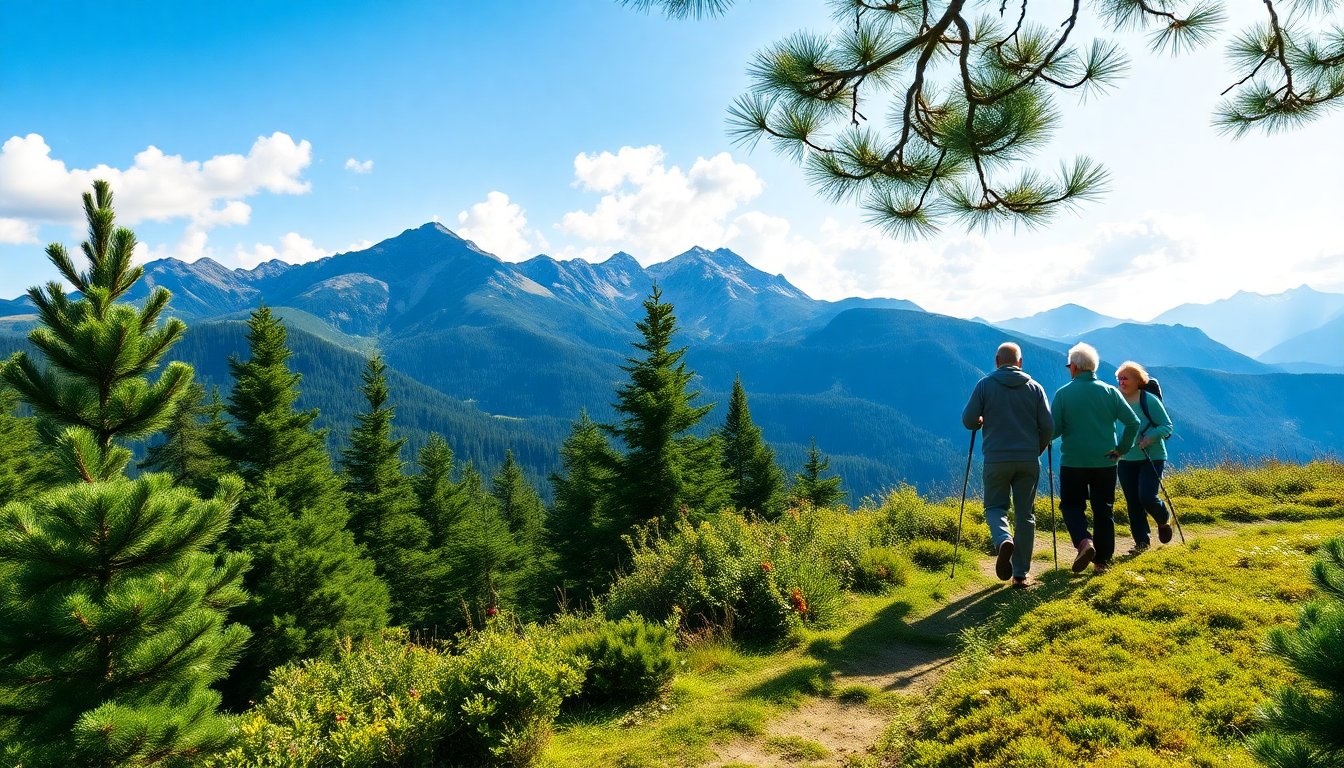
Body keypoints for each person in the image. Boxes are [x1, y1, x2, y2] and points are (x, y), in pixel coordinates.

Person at [961, 342, 1054, 588]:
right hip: (1027, 460)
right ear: (1020, 362)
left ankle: (1003, 540)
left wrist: (980, 420)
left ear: (997, 360)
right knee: (1026, 515)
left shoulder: (984, 386)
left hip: (996, 459)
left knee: (994, 507)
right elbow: (1048, 427)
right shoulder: (1035, 388)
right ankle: (1020, 574)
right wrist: (1037, 450)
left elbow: (969, 420)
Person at [1050, 342, 1139, 573]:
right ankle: (1102, 563)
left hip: (1073, 462)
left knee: (1071, 506)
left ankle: (1083, 542)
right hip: (1105, 461)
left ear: (1076, 368)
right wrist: (1122, 449)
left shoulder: (1063, 394)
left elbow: (1054, 431)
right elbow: (1133, 423)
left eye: (1069, 365)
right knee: (1103, 509)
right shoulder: (1110, 392)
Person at [1114, 361, 1175, 551]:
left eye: (1125, 378)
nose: (1121, 382)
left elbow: (1167, 426)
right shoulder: (1115, 399)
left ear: (1138, 381)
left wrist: (1150, 437)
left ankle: (1163, 519)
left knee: (1146, 496)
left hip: (1153, 455)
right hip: (1126, 458)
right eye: (1119, 378)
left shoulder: (1148, 400)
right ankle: (1141, 542)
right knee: (1133, 501)